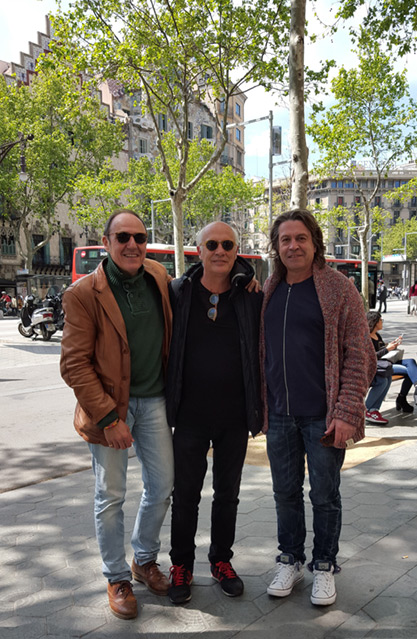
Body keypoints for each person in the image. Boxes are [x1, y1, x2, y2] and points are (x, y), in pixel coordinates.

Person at [60, 209, 174, 620]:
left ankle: (143, 561)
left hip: (156, 400)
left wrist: (244, 281)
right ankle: (115, 576)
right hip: (109, 409)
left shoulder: (158, 277)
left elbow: (195, 289)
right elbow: (74, 365)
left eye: (140, 238)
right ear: (106, 242)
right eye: (123, 237)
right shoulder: (83, 293)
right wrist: (110, 418)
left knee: (162, 486)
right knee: (111, 496)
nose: (132, 245)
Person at [260, 209, 376, 607]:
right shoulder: (269, 288)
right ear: (276, 247)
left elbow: (360, 354)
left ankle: (324, 565)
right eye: (285, 239)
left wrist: (347, 411)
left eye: (300, 238)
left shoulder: (338, 288)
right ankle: (289, 559)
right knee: (284, 493)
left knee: (325, 495)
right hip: (278, 414)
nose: (293, 245)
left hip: (323, 416)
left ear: (314, 242)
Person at [166, 221, 262, 605]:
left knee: (228, 495)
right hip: (188, 414)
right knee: (185, 495)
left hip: (234, 416)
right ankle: (181, 566)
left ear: (236, 251)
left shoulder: (250, 297)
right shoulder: (178, 292)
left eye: (228, 245)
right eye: (212, 244)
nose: (220, 251)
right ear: (198, 250)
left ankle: (221, 560)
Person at [366, 310, 417, 415]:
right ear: (375, 322)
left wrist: (392, 345)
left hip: (388, 362)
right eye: (381, 320)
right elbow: (371, 357)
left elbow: (381, 348)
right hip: (381, 366)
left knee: (411, 362)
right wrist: (387, 349)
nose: (382, 322)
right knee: (409, 371)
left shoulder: (377, 335)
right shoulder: (367, 338)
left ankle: (410, 393)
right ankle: (408, 396)